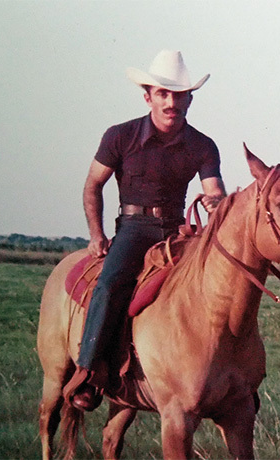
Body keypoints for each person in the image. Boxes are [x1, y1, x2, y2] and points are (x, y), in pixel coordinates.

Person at [63, 50, 227, 411]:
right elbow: (93, 185)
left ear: (189, 100)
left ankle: (230, 377)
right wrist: (96, 235)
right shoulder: (120, 136)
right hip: (134, 229)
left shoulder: (202, 145)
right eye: (163, 94)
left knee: (217, 283)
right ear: (148, 97)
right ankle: (88, 371)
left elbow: (214, 189)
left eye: (179, 95)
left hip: (178, 231)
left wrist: (215, 202)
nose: (171, 103)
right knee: (110, 283)